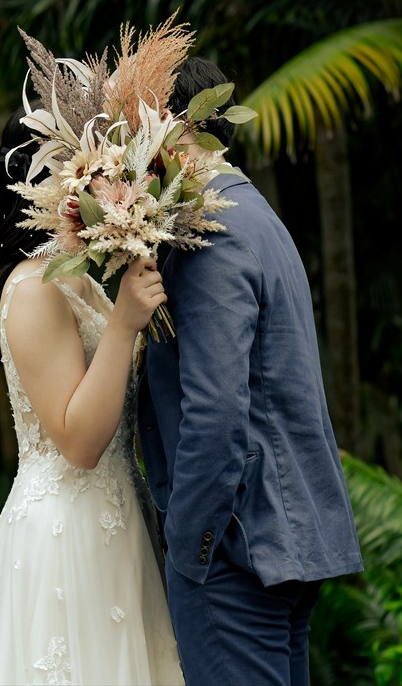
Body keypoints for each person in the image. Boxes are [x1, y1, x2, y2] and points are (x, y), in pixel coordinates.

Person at [137, 57, 364, 686]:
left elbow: (215, 410)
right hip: (285, 541)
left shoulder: (211, 233)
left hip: (237, 554)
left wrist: (190, 550)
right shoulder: (259, 216)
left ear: (164, 121)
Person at [0, 107, 184, 685]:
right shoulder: (33, 291)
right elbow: (78, 441)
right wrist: (125, 323)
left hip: (116, 519)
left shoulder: (76, 276)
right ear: (32, 184)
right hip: (69, 535)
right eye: (69, 170)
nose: (89, 184)